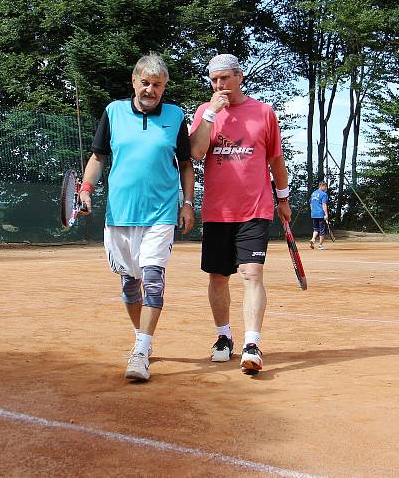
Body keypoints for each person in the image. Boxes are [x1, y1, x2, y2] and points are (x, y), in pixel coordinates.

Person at [80, 52, 195, 381]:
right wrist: (86, 188)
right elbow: (98, 157)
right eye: (145, 83)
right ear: (134, 82)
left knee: (153, 278)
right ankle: (141, 338)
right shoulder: (113, 112)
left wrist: (187, 203)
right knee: (131, 283)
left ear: (165, 87)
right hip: (120, 214)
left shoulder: (175, 116)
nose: (150, 90)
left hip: (160, 213)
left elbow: (185, 165)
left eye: (157, 85)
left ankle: (141, 351)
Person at [189, 53, 292, 375]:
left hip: (255, 208)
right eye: (214, 80)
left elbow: (276, 161)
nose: (220, 85)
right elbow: (195, 152)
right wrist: (211, 115)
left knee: (252, 274)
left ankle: (251, 343)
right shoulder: (205, 112)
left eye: (225, 78)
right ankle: (223, 338)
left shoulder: (263, 112)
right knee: (218, 276)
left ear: (239, 77)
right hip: (218, 211)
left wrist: (283, 199)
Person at [309, 181, 329, 250]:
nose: (326, 188)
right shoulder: (324, 194)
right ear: (322, 186)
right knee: (322, 230)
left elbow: (311, 204)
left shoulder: (313, 193)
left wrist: (313, 211)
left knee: (316, 229)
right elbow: (324, 205)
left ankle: (313, 239)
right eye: (325, 187)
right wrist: (326, 214)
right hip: (321, 214)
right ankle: (320, 245)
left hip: (314, 214)